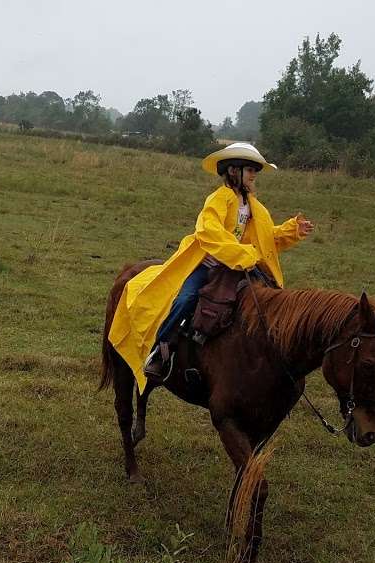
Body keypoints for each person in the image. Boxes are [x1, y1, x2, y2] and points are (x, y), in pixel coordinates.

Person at [108, 142, 314, 388]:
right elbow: (209, 230)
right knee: (185, 299)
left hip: (238, 264)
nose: (254, 175)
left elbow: (264, 238)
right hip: (209, 265)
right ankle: (160, 349)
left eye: (255, 170)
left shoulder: (252, 205)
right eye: (250, 169)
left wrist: (292, 230)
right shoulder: (219, 199)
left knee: (269, 298)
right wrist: (241, 253)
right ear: (233, 171)